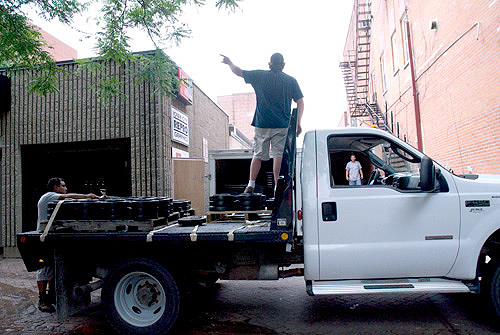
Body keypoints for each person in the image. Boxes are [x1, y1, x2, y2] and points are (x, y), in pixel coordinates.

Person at [221, 53, 305, 193]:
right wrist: (297, 123)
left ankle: (251, 184)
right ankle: (278, 186)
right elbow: (301, 102)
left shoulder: (260, 76)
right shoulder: (291, 81)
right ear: (283, 65)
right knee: (278, 155)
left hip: (263, 123)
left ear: (269, 64)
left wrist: (229, 62)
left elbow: (239, 72)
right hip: (282, 124)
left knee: (258, 154)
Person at [36, 177, 98, 312]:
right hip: (44, 237)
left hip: (50, 235)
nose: (66, 188)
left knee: (52, 268)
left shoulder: (53, 198)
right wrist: (87, 196)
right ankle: (42, 300)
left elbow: (68, 199)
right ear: (55, 187)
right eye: (63, 186)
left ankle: (51, 297)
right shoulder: (49, 196)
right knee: (44, 270)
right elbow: (68, 196)